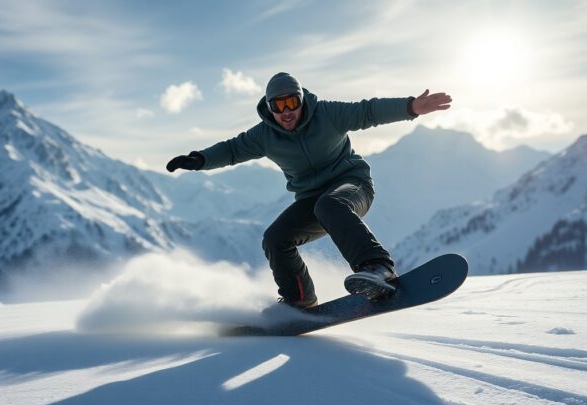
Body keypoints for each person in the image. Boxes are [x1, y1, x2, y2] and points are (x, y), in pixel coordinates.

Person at [166, 72, 452, 309]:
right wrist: (199, 159)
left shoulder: (327, 113)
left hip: (352, 185)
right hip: (313, 200)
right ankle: (299, 298)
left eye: (292, 102)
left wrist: (410, 107)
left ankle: (379, 268)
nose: (286, 111)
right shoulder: (264, 135)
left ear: (302, 100)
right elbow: (232, 149)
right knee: (276, 238)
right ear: (269, 108)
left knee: (330, 205)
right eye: (278, 106)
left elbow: (367, 111)